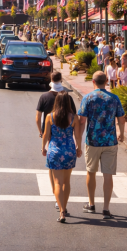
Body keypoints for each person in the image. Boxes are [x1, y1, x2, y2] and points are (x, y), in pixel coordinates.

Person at [77, 71, 125, 219]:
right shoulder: (114, 98)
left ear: (93, 81)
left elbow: (82, 121)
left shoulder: (88, 98)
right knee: (108, 175)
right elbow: (121, 118)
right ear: (106, 81)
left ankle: (91, 204)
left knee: (91, 172)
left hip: (92, 141)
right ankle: (106, 207)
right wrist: (121, 133)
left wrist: (78, 141)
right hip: (110, 141)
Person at [42, 91, 83, 223]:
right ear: (68, 103)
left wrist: (43, 147)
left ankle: (61, 212)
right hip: (69, 151)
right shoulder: (74, 118)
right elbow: (77, 136)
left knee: (57, 183)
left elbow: (45, 134)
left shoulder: (50, 117)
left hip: (54, 151)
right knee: (66, 182)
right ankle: (64, 208)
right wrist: (79, 148)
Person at [35, 72, 70, 209]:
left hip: (50, 135)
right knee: (66, 173)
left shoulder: (44, 97)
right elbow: (73, 116)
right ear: (61, 80)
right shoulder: (67, 97)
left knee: (52, 167)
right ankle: (59, 196)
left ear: (51, 79)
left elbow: (38, 117)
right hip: (66, 136)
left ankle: (55, 193)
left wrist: (41, 132)